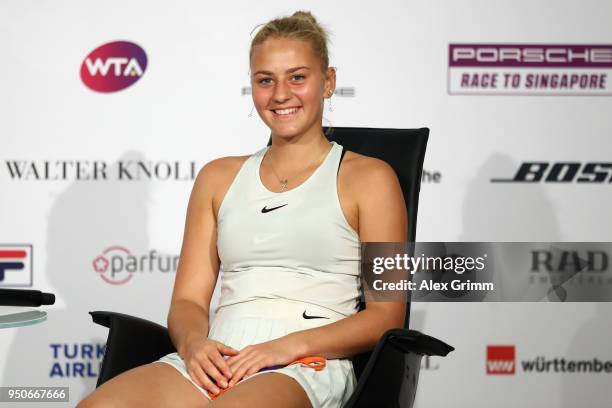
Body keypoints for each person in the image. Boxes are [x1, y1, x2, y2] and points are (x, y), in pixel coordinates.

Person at [78, 10, 406, 408]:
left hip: (308, 360)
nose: (281, 94)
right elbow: (188, 303)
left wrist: (283, 347)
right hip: (217, 357)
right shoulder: (217, 178)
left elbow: (386, 315)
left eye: (297, 77)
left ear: (329, 82)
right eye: (265, 80)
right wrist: (196, 345)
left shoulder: (371, 178)